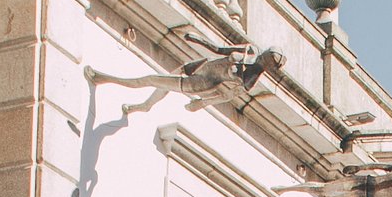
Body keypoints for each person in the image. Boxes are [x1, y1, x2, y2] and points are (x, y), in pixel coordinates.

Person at [87, 32, 286, 115]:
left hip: (198, 83)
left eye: (266, 60)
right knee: (161, 86)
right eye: (266, 54)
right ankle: (145, 106)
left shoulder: (249, 80)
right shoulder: (250, 50)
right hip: (199, 65)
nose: (262, 58)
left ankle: (102, 78)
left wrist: (202, 103)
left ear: (268, 65)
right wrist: (198, 40)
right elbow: (218, 49)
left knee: (149, 79)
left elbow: (223, 95)